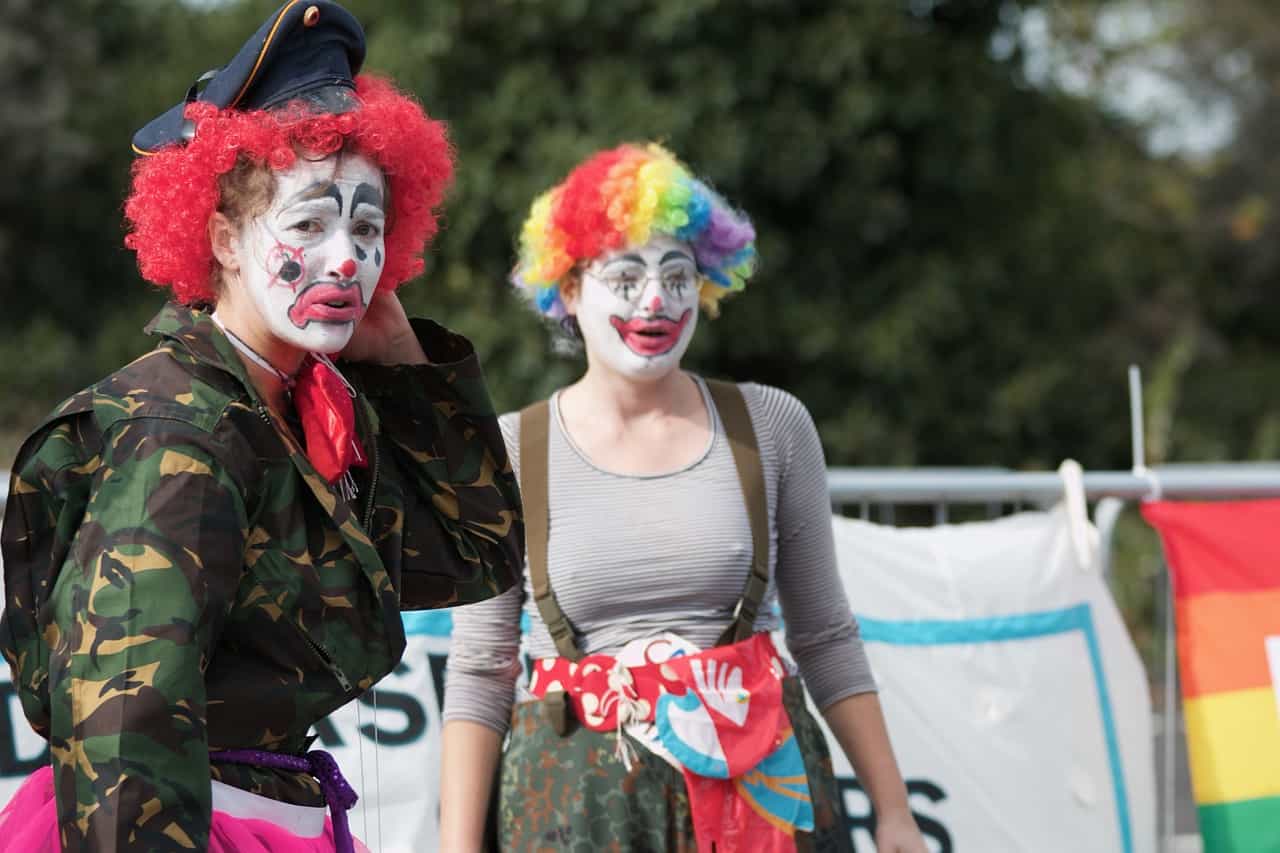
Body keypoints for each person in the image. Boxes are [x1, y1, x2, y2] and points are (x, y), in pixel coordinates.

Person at [0, 2, 522, 851]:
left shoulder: (301, 411)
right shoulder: (178, 433)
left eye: (367, 227)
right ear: (223, 239)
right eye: (309, 222)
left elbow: (476, 553)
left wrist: (402, 359)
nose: (346, 258)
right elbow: (124, 737)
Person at [438, 143, 924, 852]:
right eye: (625, 276)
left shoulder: (773, 426)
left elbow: (825, 636)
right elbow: (481, 671)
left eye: (677, 275)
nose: (655, 300)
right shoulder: (506, 453)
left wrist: (895, 813)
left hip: (761, 800)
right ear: (568, 289)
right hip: (579, 814)